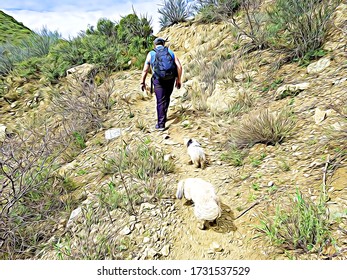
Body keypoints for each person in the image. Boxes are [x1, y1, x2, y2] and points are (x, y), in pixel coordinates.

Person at [140, 37, 182, 131]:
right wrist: (178, 80)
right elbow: (179, 66)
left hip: (158, 80)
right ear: (163, 44)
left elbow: (145, 70)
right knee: (166, 97)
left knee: (160, 100)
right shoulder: (170, 52)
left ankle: (161, 124)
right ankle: (164, 116)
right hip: (170, 79)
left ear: (155, 44)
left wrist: (142, 82)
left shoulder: (151, 53)